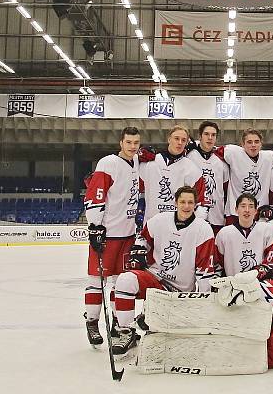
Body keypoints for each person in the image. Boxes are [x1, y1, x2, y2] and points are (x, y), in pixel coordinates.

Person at [110, 186, 216, 354]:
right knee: (124, 281)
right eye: (182, 202)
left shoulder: (203, 229)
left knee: (162, 332)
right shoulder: (159, 221)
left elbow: (205, 270)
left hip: (181, 293)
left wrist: (203, 302)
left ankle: (150, 316)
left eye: (190, 202)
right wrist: (139, 249)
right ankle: (126, 332)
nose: (186, 206)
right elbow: (142, 238)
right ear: (175, 202)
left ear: (195, 204)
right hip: (154, 280)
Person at [82, 126, 143, 347]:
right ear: (121, 143)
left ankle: (119, 323)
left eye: (136, 143)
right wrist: (95, 226)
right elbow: (96, 193)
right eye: (129, 142)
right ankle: (92, 321)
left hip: (127, 235)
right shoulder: (108, 163)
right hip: (107, 234)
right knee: (97, 281)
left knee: (121, 283)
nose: (133, 147)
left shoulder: (135, 162)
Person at [139, 125, 205, 221]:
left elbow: (200, 200)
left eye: (183, 140)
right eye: (176, 138)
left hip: (176, 225)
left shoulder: (191, 168)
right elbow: (135, 185)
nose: (179, 143)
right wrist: (138, 156)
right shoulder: (151, 161)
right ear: (169, 139)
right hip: (151, 222)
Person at [217, 128, 273, 222]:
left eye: (256, 142)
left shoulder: (270, 157)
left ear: (261, 144)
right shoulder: (233, 153)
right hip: (235, 212)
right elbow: (213, 151)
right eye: (249, 142)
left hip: (260, 213)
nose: (253, 145)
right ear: (242, 144)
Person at [214, 193, 273, 276]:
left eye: (251, 206)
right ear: (236, 210)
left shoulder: (267, 229)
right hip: (233, 284)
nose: (247, 210)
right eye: (243, 206)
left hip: (258, 284)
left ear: (256, 211)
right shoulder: (224, 233)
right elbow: (218, 263)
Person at [186, 121, 230, 232]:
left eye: (213, 135)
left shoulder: (222, 161)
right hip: (192, 214)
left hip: (216, 217)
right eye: (206, 134)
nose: (210, 138)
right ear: (200, 136)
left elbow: (225, 190)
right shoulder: (189, 156)